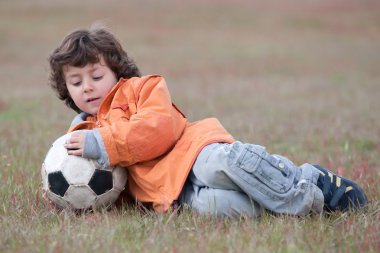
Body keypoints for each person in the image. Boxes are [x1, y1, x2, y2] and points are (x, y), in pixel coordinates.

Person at [48, 27, 368, 218]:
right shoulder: (81, 136)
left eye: (96, 75)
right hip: (176, 195)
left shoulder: (142, 88)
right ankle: (282, 194)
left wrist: (103, 143)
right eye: (76, 82)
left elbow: (157, 129)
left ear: (117, 71)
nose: (86, 86)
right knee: (228, 207)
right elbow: (105, 185)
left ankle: (312, 187)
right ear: (66, 90)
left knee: (224, 166)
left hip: (195, 153)